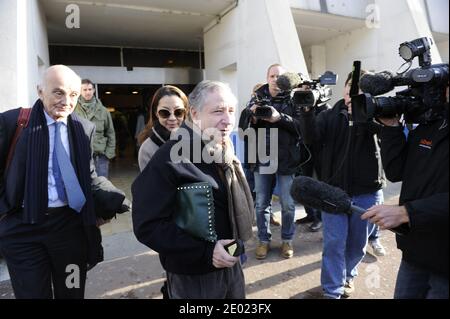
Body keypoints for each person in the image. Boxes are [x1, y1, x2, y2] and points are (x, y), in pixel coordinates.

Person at [0, 65, 127, 299]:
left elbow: (86, 176)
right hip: (23, 228)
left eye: (73, 94)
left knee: (71, 292)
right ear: (40, 91)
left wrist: (111, 195)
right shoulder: (13, 122)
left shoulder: (83, 128)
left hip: (69, 229)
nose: (66, 101)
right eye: (58, 92)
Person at [132, 80, 254, 299]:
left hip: (232, 264)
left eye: (231, 111)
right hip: (194, 278)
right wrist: (207, 253)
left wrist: (232, 251)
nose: (227, 120)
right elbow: (147, 225)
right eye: (218, 111)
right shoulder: (169, 157)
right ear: (195, 114)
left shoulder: (224, 150)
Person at [299, 70, 386, 298]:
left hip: (367, 193)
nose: (350, 96)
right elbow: (310, 138)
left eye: (357, 92)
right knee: (334, 243)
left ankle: (348, 276)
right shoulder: (330, 114)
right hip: (333, 192)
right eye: (349, 89)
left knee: (357, 244)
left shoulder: (378, 115)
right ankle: (332, 291)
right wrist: (307, 112)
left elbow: (388, 137)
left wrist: (365, 117)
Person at [361, 85, 449, 299]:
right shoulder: (431, 125)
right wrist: (391, 127)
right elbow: (396, 171)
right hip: (416, 251)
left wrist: (406, 212)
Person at [239, 64, 301, 260]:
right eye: (272, 76)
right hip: (261, 159)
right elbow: (242, 131)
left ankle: (287, 240)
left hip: (286, 160)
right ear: (267, 78)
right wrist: (251, 117)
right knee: (261, 204)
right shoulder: (256, 98)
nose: (275, 79)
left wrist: (279, 118)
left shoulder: (294, 99)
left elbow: (302, 129)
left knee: (288, 205)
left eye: (279, 76)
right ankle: (263, 241)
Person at [240, 82, 280, 227]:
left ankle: (269, 216)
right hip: (251, 157)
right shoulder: (248, 110)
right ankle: (250, 216)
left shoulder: (271, 109)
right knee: (252, 189)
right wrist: (251, 116)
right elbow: (243, 133)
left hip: (265, 156)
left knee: (266, 190)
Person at [294, 83, 329, 232]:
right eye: (301, 90)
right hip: (302, 152)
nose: (304, 94)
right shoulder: (297, 105)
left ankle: (320, 217)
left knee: (319, 187)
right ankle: (310, 214)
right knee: (304, 186)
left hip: (319, 154)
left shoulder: (324, 107)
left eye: (307, 91)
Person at [137, 85, 189, 171]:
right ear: (156, 113)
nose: (172, 118)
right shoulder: (147, 149)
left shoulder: (197, 139)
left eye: (178, 112)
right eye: (165, 112)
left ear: (185, 112)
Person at [74, 79, 115, 177]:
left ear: (93, 91)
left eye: (89, 89)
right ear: (80, 91)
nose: (87, 92)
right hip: (80, 156)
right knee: (84, 187)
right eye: (84, 90)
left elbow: (110, 133)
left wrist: (108, 154)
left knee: (102, 187)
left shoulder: (104, 111)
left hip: (100, 157)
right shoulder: (73, 110)